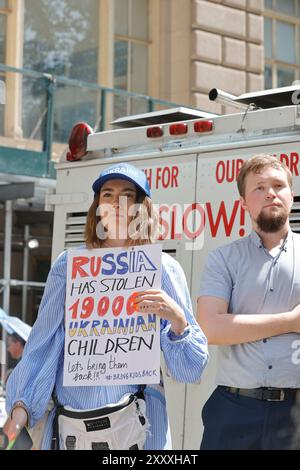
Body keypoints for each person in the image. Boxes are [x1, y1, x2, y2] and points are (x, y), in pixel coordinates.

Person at [4, 162, 208, 450]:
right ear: (97, 207)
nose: (117, 203)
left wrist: (178, 321)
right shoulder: (69, 266)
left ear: (141, 207)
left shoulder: (162, 268)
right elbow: (44, 342)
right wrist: (20, 410)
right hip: (72, 426)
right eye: (108, 194)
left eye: (128, 194)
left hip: (141, 429)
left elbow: (190, 370)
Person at [197, 154, 300, 450]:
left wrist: (239, 325)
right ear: (244, 202)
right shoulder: (223, 259)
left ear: (291, 195)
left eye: (279, 185)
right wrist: (291, 322)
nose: (270, 192)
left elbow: (224, 324)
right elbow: (211, 329)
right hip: (233, 410)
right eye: (259, 187)